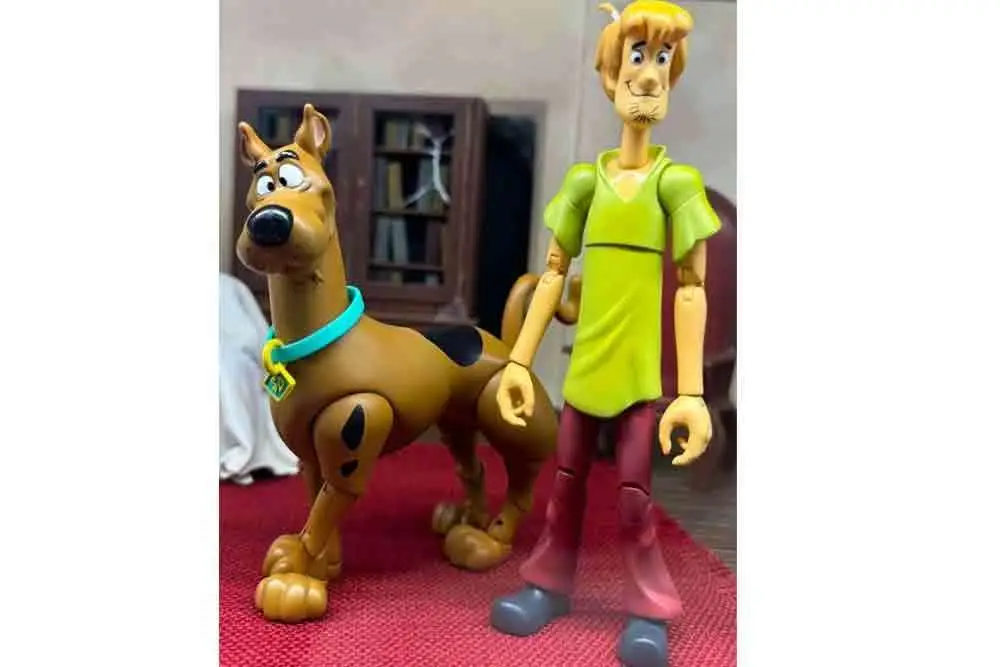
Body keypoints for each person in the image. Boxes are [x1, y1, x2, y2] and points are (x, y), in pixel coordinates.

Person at [489, 3, 722, 666]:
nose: (648, 75)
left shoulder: (676, 184)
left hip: (639, 380)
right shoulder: (584, 182)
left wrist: (692, 393)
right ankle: (548, 584)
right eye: (637, 57)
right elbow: (553, 274)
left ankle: (648, 608)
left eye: (661, 60)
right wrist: (518, 362)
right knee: (564, 484)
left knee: (634, 497)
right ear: (612, 73)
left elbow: (691, 286)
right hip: (585, 372)